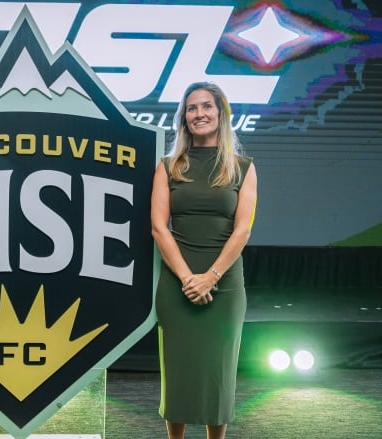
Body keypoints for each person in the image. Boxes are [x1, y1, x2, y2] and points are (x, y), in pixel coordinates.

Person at [150, 81, 258, 439]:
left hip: (224, 285)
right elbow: (159, 228)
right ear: (184, 118)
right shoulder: (167, 167)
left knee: (218, 371)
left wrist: (210, 277)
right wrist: (187, 278)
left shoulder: (244, 167)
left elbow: (241, 231)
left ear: (221, 114)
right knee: (178, 369)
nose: (200, 114)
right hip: (176, 282)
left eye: (207, 106)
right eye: (192, 108)